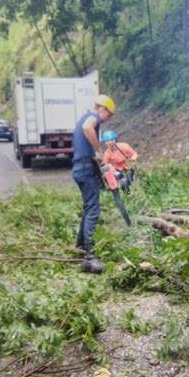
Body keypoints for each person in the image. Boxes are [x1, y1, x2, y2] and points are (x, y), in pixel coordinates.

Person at [72, 94, 115, 274]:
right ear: (103, 109)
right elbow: (87, 127)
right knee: (93, 210)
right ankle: (89, 257)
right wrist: (97, 150)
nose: (107, 119)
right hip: (84, 168)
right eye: (109, 115)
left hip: (79, 167)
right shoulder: (93, 118)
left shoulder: (86, 116)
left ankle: (80, 246)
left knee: (88, 207)